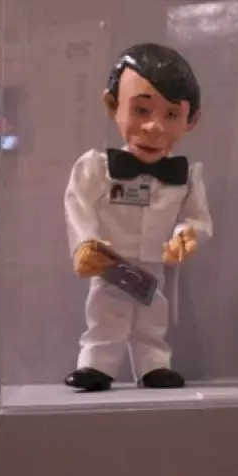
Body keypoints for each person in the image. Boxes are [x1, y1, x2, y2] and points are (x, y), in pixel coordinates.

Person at [63, 43, 213, 392]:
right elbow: (77, 203)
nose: (153, 127)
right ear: (112, 105)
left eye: (171, 115)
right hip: (110, 259)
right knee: (106, 308)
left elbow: (198, 218)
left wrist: (186, 235)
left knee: (153, 313)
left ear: (191, 121)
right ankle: (96, 363)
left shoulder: (188, 176)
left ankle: (154, 364)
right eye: (141, 110)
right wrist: (85, 242)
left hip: (156, 262)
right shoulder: (96, 168)